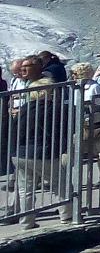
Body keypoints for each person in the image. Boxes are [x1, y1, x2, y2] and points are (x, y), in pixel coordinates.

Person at [6, 62, 64, 230]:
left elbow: (15, 132)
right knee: (60, 185)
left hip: (21, 153)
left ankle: (26, 222)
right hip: (43, 152)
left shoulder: (23, 110)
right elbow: (58, 131)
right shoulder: (53, 109)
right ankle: (68, 215)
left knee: (25, 189)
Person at [70, 62, 100, 187]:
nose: (72, 76)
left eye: (74, 73)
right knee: (75, 151)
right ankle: (73, 181)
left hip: (96, 123)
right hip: (79, 123)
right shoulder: (74, 87)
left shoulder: (94, 87)